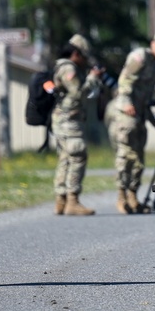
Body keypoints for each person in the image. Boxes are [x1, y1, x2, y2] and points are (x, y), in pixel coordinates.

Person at [106, 30, 155, 214]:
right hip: (125, 115)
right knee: (125, 156)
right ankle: (121, 197)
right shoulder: (140, 57)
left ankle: (133, 196)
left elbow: (145, 99)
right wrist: (126, 102)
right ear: (152, 43)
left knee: (138, 158)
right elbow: (124, 80)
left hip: (139, 114)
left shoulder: (154, 63)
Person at [52, 34, 103, 216]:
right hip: (69, 121)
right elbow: (78, 93)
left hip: (64, 120)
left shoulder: (62, 66)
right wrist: (92, 79)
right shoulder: (68, 68)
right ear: (75, 53)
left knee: (66, 158)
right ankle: (72, 200)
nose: (84, 61)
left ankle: (61, 200)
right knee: (77, 156)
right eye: (83, 56)